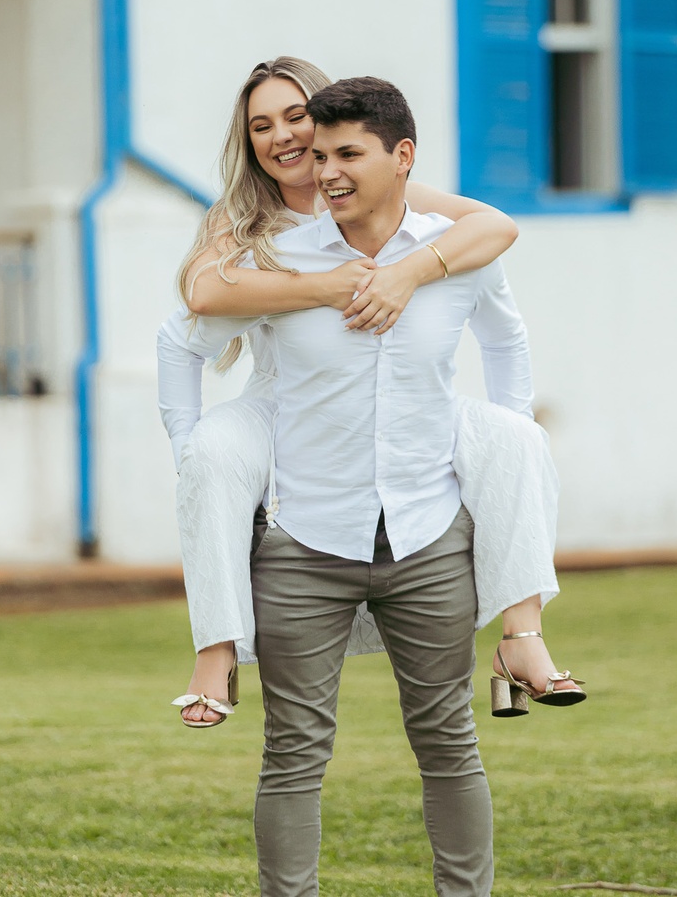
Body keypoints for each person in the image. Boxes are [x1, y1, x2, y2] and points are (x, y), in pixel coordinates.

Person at [161, 75, 580, 897]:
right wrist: (184, 448)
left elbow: (505, 329)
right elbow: (187, 328)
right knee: (292, 753)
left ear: (400, 157)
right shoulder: (272, 255)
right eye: (313, 154)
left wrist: (504, 436)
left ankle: (523, 635)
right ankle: (215, 653)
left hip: (427, 536)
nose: (319, 167)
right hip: (303, 538)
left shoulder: (451, 251)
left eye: (340, 152)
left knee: (449, 742)